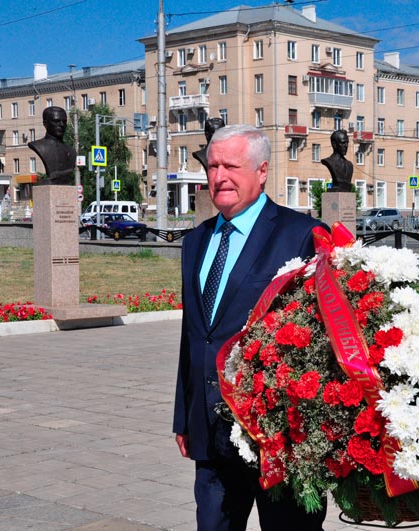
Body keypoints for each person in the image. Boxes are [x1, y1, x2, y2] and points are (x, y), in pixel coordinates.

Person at [173, 125, 327, 531]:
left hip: (280, 437)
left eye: (231, 166)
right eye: (213, 166)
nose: (219, 176)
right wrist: (184, 418)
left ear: (262, 171)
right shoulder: (195, 242)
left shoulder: (301, 235)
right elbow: (194, 336)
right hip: (210, 432)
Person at [28, 106, 77, 185]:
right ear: (45, 123)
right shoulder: (39, 146)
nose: (61, 124)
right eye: (56, 121)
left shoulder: (71, 151)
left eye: (64, 121)